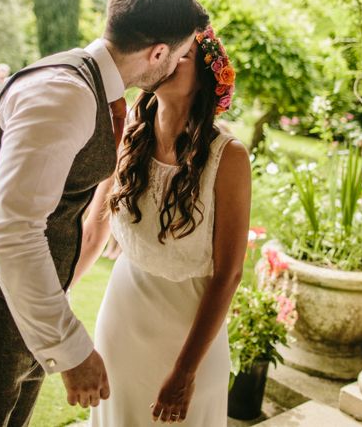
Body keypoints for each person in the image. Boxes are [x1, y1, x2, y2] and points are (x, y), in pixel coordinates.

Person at [0, 0, 209, 427]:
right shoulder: (64, 93)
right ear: (159, 52)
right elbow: (10, 231)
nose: (183, 62)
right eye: (182, 53)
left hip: (16, 310)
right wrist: (70, 349)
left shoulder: (93, 92)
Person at [75, 26, 250, 426]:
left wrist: (185, 371)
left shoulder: (229, 157)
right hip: (122, 324)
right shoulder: (131, 131)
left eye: (180, 55)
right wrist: (54, 306)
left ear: (206, 77)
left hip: (190, 339)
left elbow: (229, 273)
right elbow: (93, 232)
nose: (164, 60)